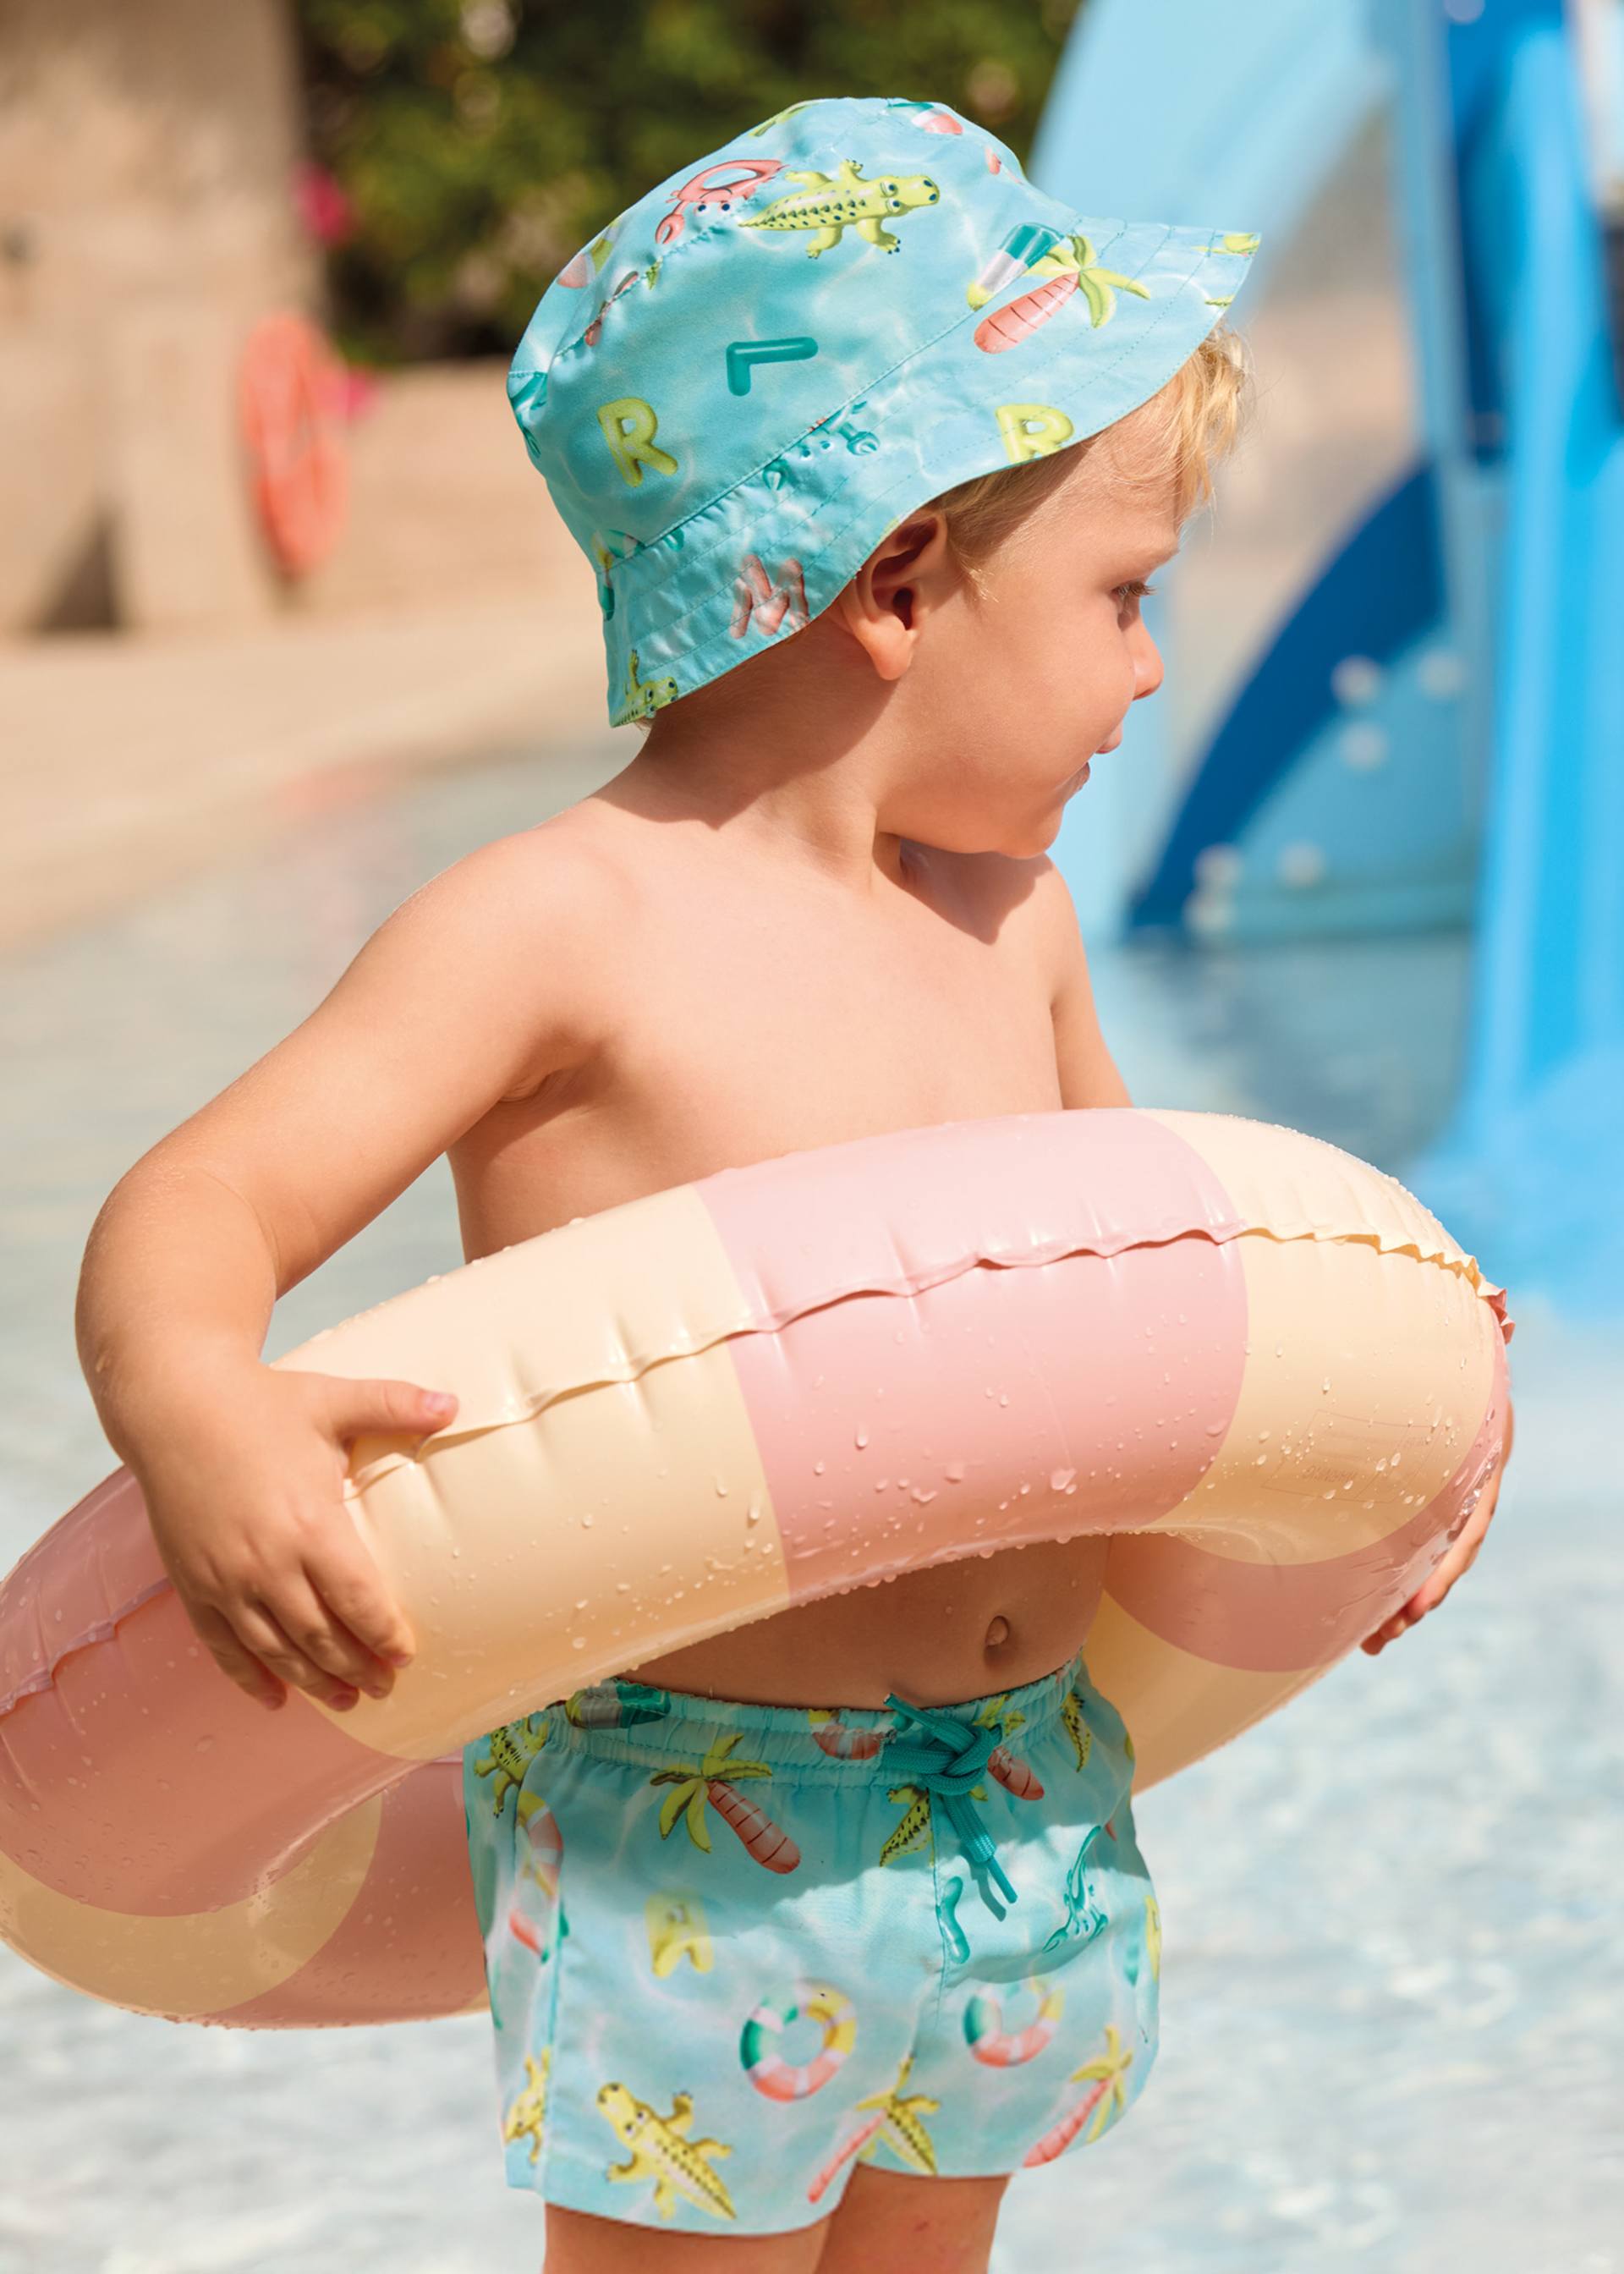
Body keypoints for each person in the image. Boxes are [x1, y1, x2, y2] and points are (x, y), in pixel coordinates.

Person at [74, 94, 1507, 2273]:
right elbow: (198, 1202)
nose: (1148, 666)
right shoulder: (563, 929)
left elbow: (1189, 1298)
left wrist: (1388, 1457)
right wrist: (202, 1408)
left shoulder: (1010, 931)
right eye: (1128, 596)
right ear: (902, 580)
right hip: (691, 1836)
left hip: (1023, 1802)